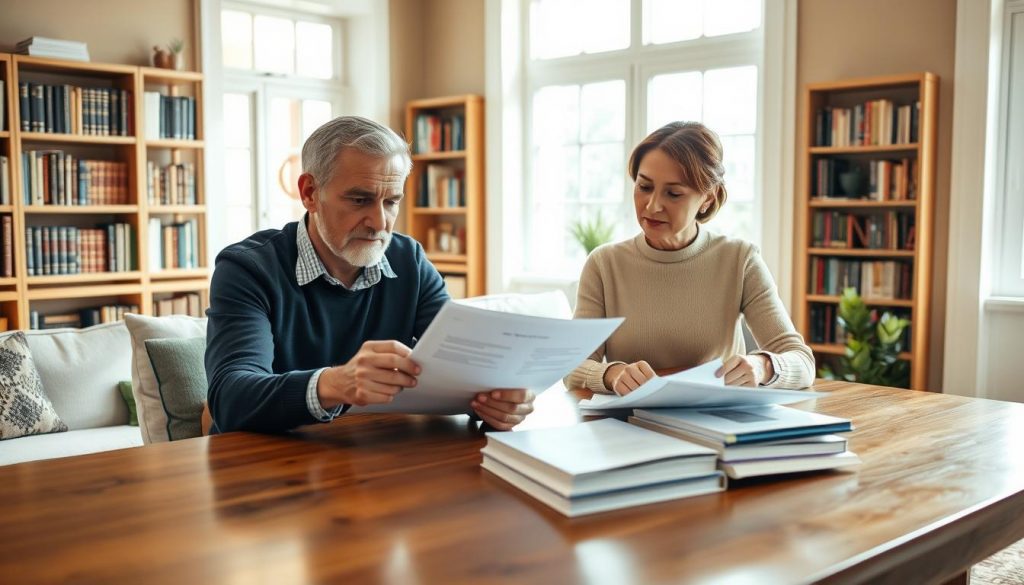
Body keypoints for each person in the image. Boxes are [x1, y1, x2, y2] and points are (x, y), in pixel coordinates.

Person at [205, 115, 535, 433]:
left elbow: (465, 367)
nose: (379, 223)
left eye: (391, 202)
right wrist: (333, 384)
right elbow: (230, 399)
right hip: (268, 466)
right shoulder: (248, 269)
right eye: (360, 199)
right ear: (309, 193)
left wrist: (499, 400)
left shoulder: (410, 262)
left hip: (376, 456)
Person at [565, 121, 814, 395]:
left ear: (707, 198)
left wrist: (762, 366)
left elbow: (802, 362)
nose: (652, 205)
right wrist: (613, 374)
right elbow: (571, 367)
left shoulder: (740, 260)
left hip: (713, 427)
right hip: (629, 425)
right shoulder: (604, 264)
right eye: (644, 187)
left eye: (673, 193)